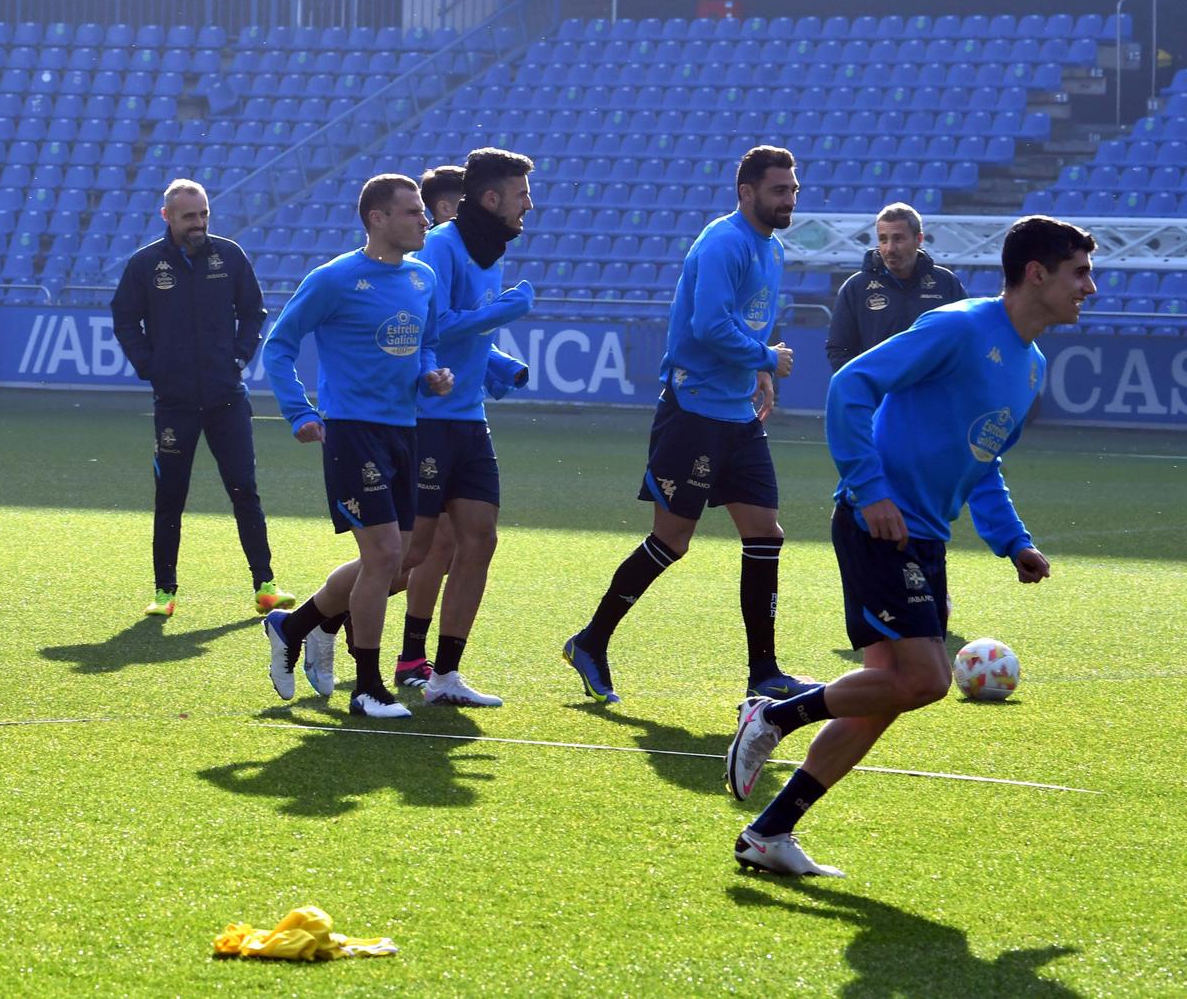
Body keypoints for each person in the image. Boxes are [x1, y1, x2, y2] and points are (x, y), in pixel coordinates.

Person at [723, 216, 1089, 876]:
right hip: (879, 523)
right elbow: (850, 386)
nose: (1089, 288)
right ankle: (774, 714)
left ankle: (768, 833)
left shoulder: (1030, 366)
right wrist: (871, 489)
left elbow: (982, 460)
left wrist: (1013, 541)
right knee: (924, 679)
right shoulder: (960, 326)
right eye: (1080, 273)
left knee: (888, 692)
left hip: (925, 534)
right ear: (1037, 273)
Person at [564, 145, 808, 705]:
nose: (789, 198)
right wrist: (768, 359)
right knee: (672, 541)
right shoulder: (724, 242)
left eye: (793, 189)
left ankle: (764, 673)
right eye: (779, 190)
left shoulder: (770, 248)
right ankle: (590, 641)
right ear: (747, 192)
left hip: (737, 415)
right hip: (694, 413)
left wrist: (757, 370)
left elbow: (745, 324)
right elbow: (709, 324)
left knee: (765, 535)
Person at [260, 173, 452, 721]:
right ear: (378, 219)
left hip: (404, 430)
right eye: (414, 212)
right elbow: (280, 345)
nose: (425, 220)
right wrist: (299, 410)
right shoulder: (335, 279)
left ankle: (296, 624)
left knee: (407, 561)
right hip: (352, 431)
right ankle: (367, 686)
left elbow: (426, 343)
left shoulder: (422, 279)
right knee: (386, 555)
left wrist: (430, 376)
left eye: (423, 211)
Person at [109, 178, 290, 619]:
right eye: (190, 216)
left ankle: (265, 585)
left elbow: (253, 312)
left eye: (204, 213)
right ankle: (164, 592)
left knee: (244, 489)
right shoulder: (146, 264)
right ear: (167, 216)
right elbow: (125, 318)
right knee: (170, 495)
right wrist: (150, 367)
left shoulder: (228, 257)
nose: (199, 223)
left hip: (227, 397)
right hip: (175, 403)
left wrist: (240, 355)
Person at [395, 148, 537, 707]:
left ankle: (444, 675)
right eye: (522, 194)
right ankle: (311, 619)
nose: (530, 204)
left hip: (468, 416)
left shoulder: (489, 251)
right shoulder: (440, 248)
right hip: (428, 419)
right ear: (491, 199)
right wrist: (502, 312)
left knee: (480, 539)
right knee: (409, 554)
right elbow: (432, 330)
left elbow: (469, 331)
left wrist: (499, 366)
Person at [826, 202, 968, 372]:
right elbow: (839, 349)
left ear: (919, 239)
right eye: (883, 239)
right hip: (880, 395)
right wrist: (866, 384)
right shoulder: (856, 287)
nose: (890, 248)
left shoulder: (946, 282)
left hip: (933, 394)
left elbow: (966, 338)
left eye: (898, 238)